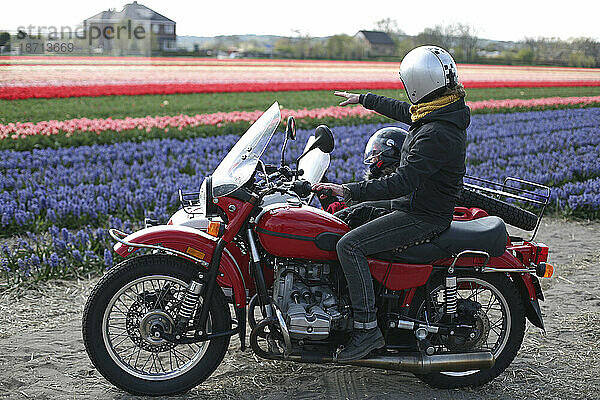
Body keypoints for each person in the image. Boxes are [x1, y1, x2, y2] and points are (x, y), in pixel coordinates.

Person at [312, 45, 469, 362]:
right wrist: (365, 100)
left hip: (421, 215)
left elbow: (401, 182)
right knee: (342, 220)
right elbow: (405, 112)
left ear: (418, 84)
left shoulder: (438, 132)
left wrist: (348, 189)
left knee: (349, 245)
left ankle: (367, 329)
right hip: (410, 204)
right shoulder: (440, 109)